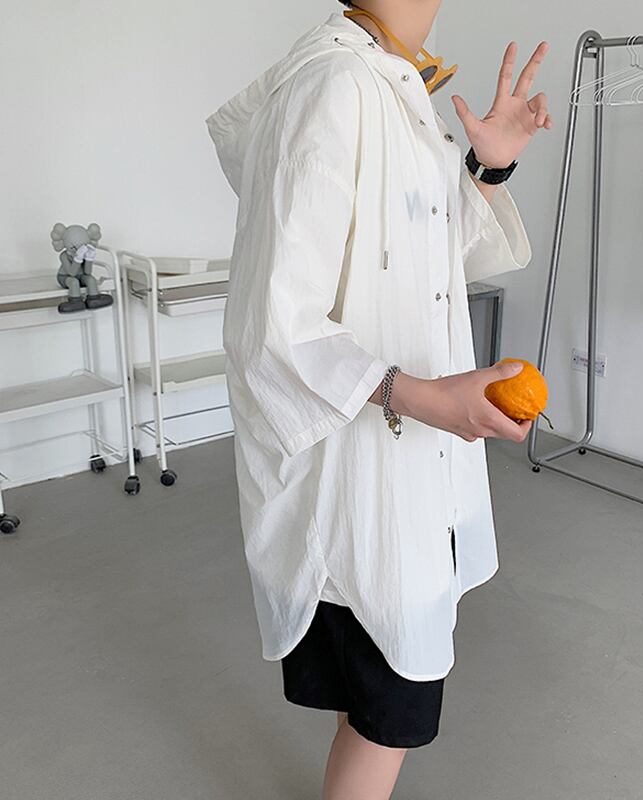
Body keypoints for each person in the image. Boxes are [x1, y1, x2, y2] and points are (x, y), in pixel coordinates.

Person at [205, 1, 550, 797]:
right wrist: (424, 398)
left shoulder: (388, 80)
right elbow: (275, 325)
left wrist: (487, 168)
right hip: (358, 480)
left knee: (369, 694)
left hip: (400, 466)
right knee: (391, 708)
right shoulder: (334, 85)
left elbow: (425, 256)